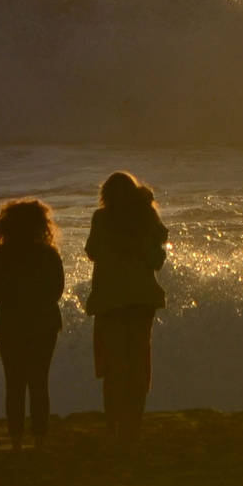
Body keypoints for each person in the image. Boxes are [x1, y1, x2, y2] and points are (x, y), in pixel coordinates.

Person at [84, 171, 167, 442]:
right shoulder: (146, 217)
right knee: (138, 365)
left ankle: (113, 427)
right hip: (142, 300)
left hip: (110, 301)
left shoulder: (102, 218)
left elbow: (92, 251)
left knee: (113, 367)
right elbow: (157, 261)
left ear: (106, 195)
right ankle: (134, 427)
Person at [0, 198, 65, 449]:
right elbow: (56, 290)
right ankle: (40, 437)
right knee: (39, 381)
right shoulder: (48, 253)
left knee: (15, 383)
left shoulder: (0, 253)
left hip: (10, 324)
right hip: (44, 323)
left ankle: (16, 438)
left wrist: (14, 301)